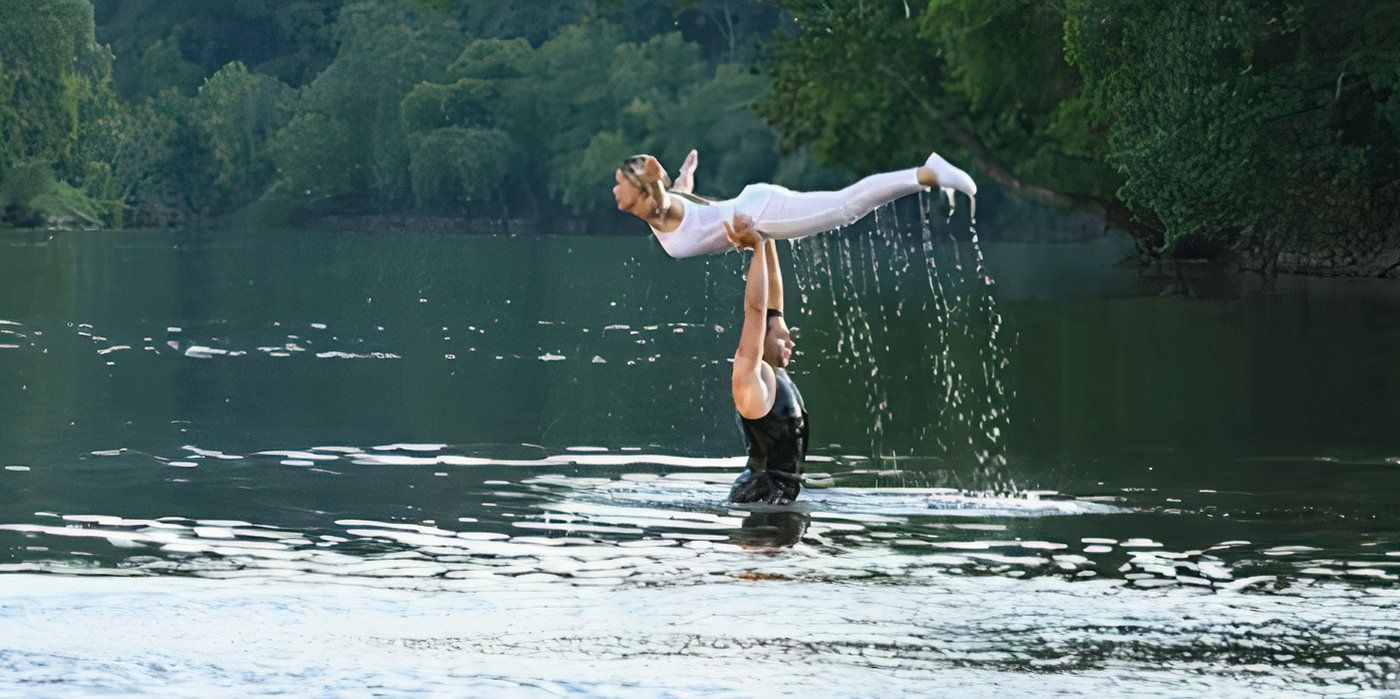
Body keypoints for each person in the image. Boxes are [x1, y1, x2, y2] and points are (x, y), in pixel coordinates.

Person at [612, 149, 977, 259]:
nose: (614, 190)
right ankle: (924, 177)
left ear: (642, 189)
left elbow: (663, 192)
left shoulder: (658, 208)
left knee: (845, 208)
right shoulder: (661, 209)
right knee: (844, 208)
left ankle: (925, 174)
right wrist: (685, 175)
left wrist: (653, 168)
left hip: (759, 213)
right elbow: (681, 193)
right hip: (753, 205)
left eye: (619, 183)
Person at [723, 214, 808, 504]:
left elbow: (772, 303)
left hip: (780, 496)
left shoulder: (773, 374)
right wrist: (756, 248)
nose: (790, 342)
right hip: (759, 496)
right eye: (783, 337)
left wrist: (766, 232)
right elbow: (756, 310)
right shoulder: (750, 377)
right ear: (762, 339)